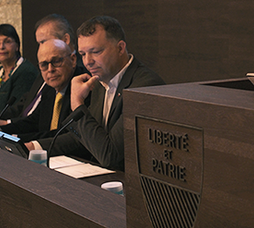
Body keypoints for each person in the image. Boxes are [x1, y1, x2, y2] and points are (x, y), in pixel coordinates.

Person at [25, 15, 165, 170]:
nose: (87, 61)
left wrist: (77, 103)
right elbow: (84, 138)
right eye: (83, 54)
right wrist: (33, 147)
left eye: (95, 52)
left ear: (120, 48)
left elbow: (110, 155)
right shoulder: (100, 80)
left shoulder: (144, 86)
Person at [0, 15, 82, 127]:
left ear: (65, 40)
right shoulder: (47, 69)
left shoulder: (77, 73)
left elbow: (42, 123)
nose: (41, 48)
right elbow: (26, 105)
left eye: (44, 42)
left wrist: (6, 126)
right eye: (39, 43)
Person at [0, 39, 85, 141]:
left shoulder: (83, 87)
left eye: (56, 61)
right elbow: (34, 122)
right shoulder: (49, 86)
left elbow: (65, 135)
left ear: (73, 60)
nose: (50, 69)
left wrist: (15, 138)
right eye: (44, 65)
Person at [0, 24, 38, 118]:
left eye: (7, 42)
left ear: (17, 46)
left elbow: (16, 111)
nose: (1, 47)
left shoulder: (26, 72)